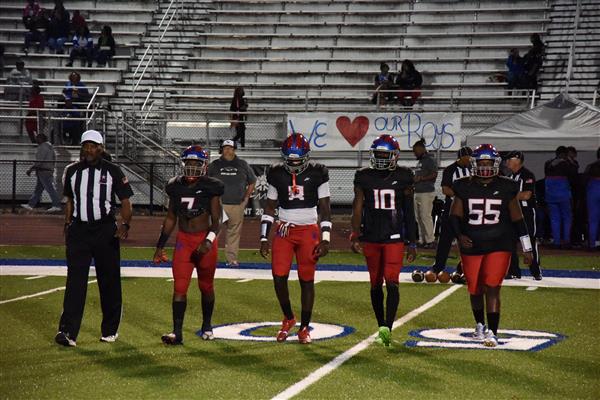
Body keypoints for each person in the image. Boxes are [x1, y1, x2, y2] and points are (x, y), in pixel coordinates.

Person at [449, 144, 533, 347]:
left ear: (496, 164)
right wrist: (459, 236)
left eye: (489, 163)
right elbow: (454, 216)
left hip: (500, 243)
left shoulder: (507, 186)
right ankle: (479, 324)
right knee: (475, 289)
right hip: (472, 243)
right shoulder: (463, 185)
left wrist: (527, 247)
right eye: (481, 163)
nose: (485, 167)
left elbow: (518, 219)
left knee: (493, 286)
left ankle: (493, 332)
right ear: (474, 164)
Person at [55, 130, 133, 347]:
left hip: (104, 231)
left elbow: (126, 200)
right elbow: (69, 200)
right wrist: (67, 223)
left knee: (109, 282)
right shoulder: (72, 171)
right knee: (75, 282)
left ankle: (110, 330)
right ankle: (67, 332)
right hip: (79, 231)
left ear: (101, 147)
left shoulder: (113, 171)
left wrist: (125, 224)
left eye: (93, 146)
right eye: (85, 146)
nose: (89, 150)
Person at [259, 133, 331, 344]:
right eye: (290, 161)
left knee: (306, 280)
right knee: (278, 276)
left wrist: (325, 238)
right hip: (284, 230)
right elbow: (270, 207)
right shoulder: (276, 173)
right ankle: (289, 318)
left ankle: (305, 327)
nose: (293, 165)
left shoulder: (318, 173)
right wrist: (264, 237)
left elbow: (325, 209)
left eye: (298, 161)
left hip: (309, 230)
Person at [152, 145, 224, 345]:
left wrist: (208, 242)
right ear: (183, 164)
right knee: (180, 287)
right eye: (189, 163)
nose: (192, 167)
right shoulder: (175, 186)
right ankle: (177, 332)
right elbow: (170, 219)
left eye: (196, 164)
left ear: (203, 166)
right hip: (184, 241)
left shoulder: (211, 187)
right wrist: (160, 246)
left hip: (204, 241)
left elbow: (217, 222)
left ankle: (207, 324)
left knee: (206, 286)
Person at [350, 134, 416, 347]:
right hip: (371, 235)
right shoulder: (364, 176)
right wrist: (355, 234)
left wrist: (411, 240)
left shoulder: (404, 176)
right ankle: (381, 325)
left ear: (395, 156)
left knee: (392, 281)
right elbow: (357, 207)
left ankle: (388, 325)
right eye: (378, 155)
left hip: (394, 237)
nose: (380, 159)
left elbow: (408, 210)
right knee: (375, 284)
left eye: (385, 155)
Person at [207, 139, 256, 267]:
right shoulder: (214, 165)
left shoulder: (243, 164)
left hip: (236, 204)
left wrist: (246, 198)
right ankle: (208, 258)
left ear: (234, 149)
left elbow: (252, 182)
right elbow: (206, 182)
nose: (228, 150)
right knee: (214, 230)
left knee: (234, 232)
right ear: (221, 150)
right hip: (218, 203)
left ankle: (232, 259)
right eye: (225, 148)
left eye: (230, 148)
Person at [431, 146, 472, 274]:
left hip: (470, 209)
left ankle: (465, 267)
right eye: (467, 158)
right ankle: (438, 266)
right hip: (452, 207)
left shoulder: (473, 169)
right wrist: (460, 197)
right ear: (461, 158)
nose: (469, 161)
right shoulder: (450, 170)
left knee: (469, 239)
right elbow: (445, 189)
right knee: (445, 239)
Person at [505, 151, 542, 280]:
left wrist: (508, 194)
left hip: (526, 213)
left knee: (529, 241)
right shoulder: (510, 176)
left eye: (509, 159)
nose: (507, 162)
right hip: (513, 212)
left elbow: (527, 195)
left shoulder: (527, 175)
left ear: (516, 160)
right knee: (510, 242)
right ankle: (514, 270)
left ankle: (535, 271)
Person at [544, 146, 577, 248]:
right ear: (565, 154)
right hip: (563, 192)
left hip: (550, 193)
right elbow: (574, 175)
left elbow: (546, 173)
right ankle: (566, 241)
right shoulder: (567, 163)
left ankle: (557, 242)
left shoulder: (548, 162)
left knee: (554, 218)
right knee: (567, 217)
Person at [20, 133, 62, 213]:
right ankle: (30, 205)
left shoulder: (42, 147)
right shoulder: (50, 147)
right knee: (38, 190)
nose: (36, 140)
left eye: (38, 138)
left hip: (43, 171)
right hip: (47, 170)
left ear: (41, 139)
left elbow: (39, 161)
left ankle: (57, 205)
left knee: (50, 189)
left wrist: (30, 169)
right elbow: (53, 159)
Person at [412, 139, 438, 248]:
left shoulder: (429, 160)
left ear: (421, 149)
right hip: (417, 192)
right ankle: (422, 239)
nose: (414, 153)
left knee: (425, 216)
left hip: (426, 192)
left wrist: (421, 178)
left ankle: (430, 240)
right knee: (418, 217)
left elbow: (434, 174)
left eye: (416, 150)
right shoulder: (421, 161)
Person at [583, 148, 600, 250]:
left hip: (593, 188)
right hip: (593, 187)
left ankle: (592, 244)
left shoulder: (591, 166)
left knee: (593, 220)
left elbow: (584, 180)